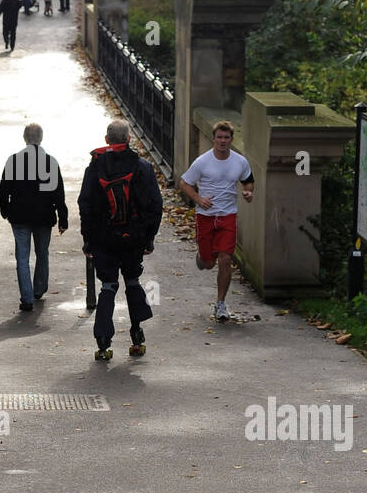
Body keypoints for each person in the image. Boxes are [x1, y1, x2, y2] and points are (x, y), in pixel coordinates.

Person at [78, 119, 163, 359]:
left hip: (104, 238)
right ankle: (136, 333)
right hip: (133, 238)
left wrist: (88, 239)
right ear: (128, 139)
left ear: (107, 140)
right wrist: (149, 237)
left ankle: (103, 342)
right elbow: (155, 205)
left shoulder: (94, 168)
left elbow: (85, 205)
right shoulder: (142, 167)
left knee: (108, 286)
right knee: (132, 281)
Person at [179, 120, 255, 322]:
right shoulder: (202, 162)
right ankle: (203, 257)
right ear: (213, 139)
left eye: (226, 138)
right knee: (208, 262)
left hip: (227, 216)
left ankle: (220, 304)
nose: (222, 141)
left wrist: (249, 192)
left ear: (231, 140)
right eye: (219, 137)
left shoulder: (240, 161)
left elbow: (248, 180)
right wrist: (198, 199)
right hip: (205, 216)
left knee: (226, 259)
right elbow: (184, 183)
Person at [0, 122, 67, 311]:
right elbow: (58, 192)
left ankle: (26, 298)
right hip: (44, 215)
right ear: (41, 138)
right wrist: (63, 217)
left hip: (19, 215)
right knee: (42, 252)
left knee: (22, 257)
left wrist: (5, 210)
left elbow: (4, 189)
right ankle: (39, 288)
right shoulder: (50, 162)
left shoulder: (14, 160)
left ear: (24, 138)